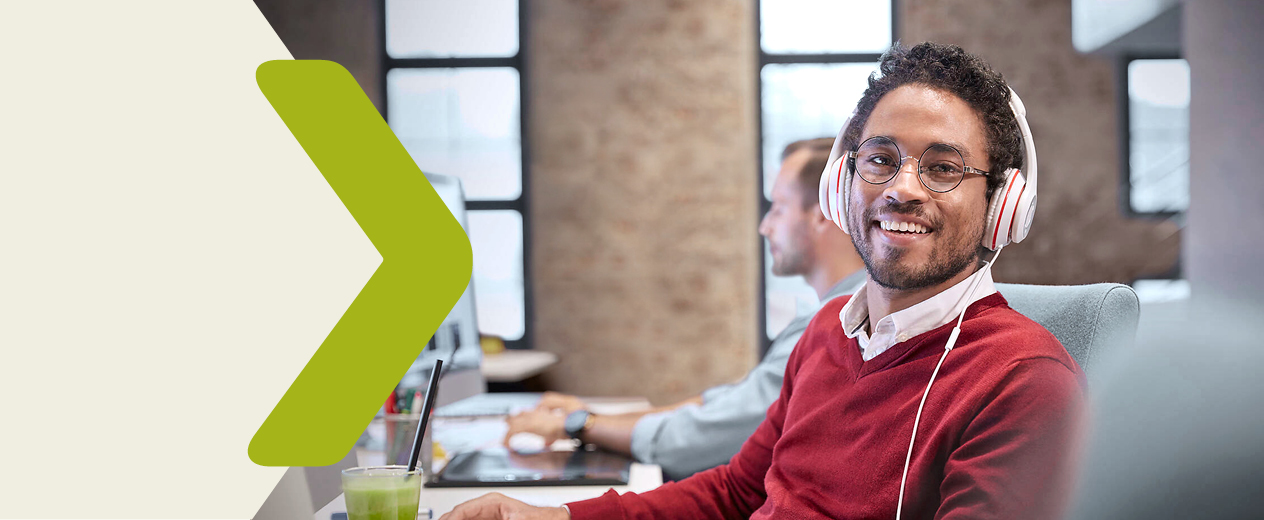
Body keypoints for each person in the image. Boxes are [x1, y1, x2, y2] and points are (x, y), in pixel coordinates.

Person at [441, 42, 1085, 520]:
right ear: (843, 183)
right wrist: (549, 516)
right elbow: (735, 492)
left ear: (1004, 203)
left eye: (943, 167)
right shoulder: (826, 338)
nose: (901, 189)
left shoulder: (1024, 382)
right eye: (880, 160)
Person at [503, 138, 866, 480]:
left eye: (778, 208)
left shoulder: (839, 323)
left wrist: (581, 424)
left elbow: (704, 438)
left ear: (822, 215)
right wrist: (594, 418)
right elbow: (725, 406)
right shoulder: (826, 315)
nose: (765, 226)